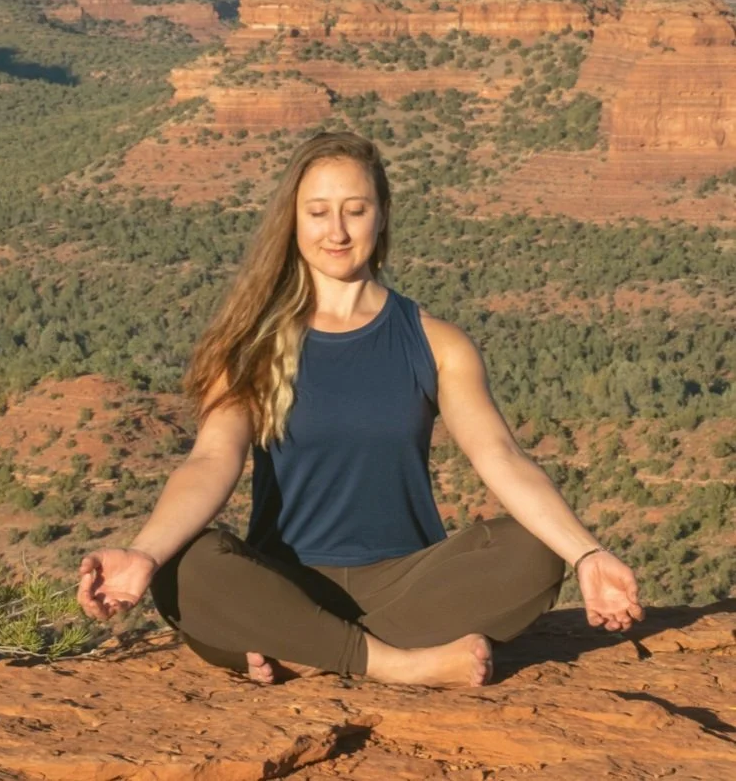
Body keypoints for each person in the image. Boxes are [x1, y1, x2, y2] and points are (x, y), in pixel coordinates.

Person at [77, 131, 644, 688]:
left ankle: (307, 646)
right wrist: (144, 552)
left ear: (383, 215)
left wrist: (586, 554)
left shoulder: (437, 343)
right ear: (293, 220)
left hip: (409, 581)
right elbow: (209, 462)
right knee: (185, 565)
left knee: (535, 550)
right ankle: (399, 663)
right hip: (285, 581)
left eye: (355, 210)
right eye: (319, 212)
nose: (338, 232)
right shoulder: (251, 348)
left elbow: (499, 455)